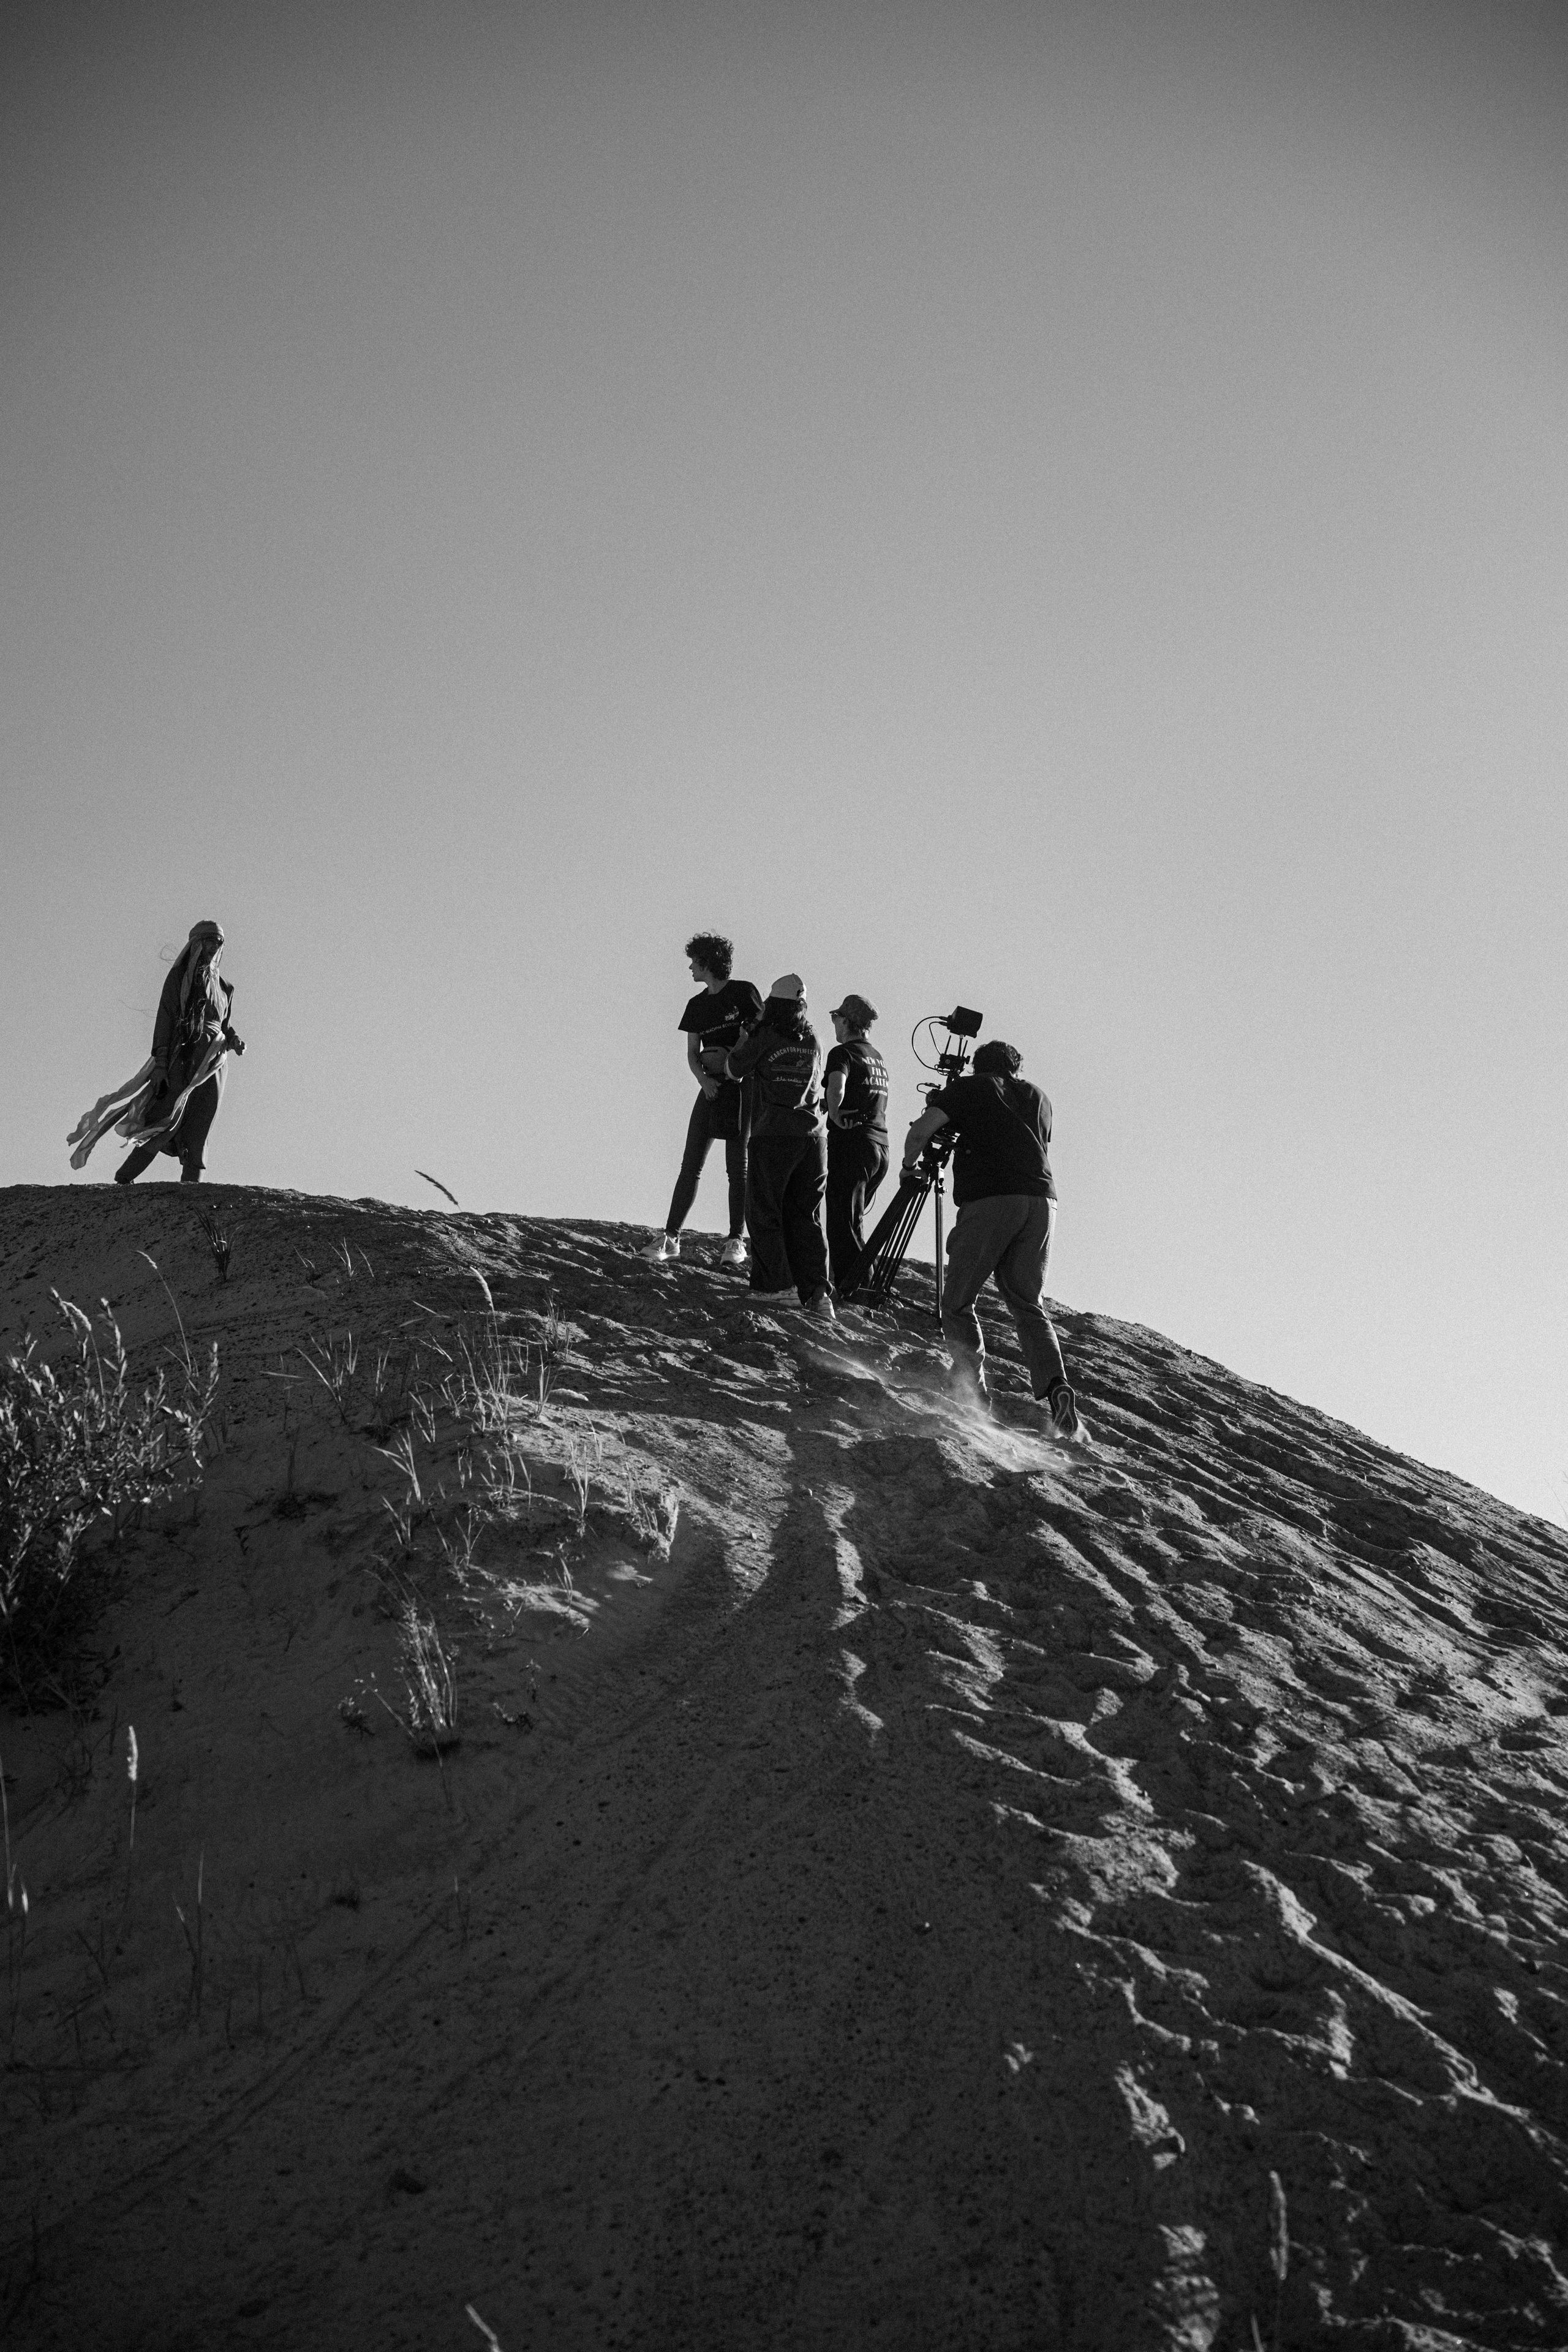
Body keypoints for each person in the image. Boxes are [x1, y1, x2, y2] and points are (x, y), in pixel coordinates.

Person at [900, 1037, 1087, 1440]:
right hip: (1042, 1203)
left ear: (977, 1068)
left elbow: (920, 1134)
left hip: (991, 1200)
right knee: (1027, 1302)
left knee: (959, 1299)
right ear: (1015, 1069)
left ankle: (973, 1392)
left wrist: (907, 1165)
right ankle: (1056, 1387)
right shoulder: (1040, 1097)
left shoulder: (971, 1088)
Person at [77, 921, 245, 1185]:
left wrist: (233, 1039)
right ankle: (125, 1177)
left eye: (219, 942)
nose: (215, 947)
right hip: (186, 1051)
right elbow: (166, 1018)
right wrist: (161, 1064)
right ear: (196, 944)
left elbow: (223, 1023)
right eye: (210, 941)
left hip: (215, 1059)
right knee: (170, 1118)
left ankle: (192, 1185)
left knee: (203, 1119)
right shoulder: (180, 978)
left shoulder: (226, 989)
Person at [641, 934, 763, 1266]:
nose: (690, 967)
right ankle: (670, 1237)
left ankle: (736, 1242)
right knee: (691, 1164)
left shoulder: (744, 992)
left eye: (694, 961)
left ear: (708, 963)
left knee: (738, 1168)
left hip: (743, 1087)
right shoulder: (696, 1005)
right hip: (710, 1088)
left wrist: (734, 1060)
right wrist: (704, 1080)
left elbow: (759, 1034)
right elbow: (692, 1053)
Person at [725, 974, 834, 1319]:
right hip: (814, 1137)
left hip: (774, 1133)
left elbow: (733, 1069)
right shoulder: (814, 1038)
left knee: (764, 1211)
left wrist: (746, 1036)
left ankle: (777, 1287)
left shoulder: (766, 1035)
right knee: (808, 1216)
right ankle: (818, 1295)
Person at [823, 993, 889, 1294]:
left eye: (837, 1018)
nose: (835, 1023)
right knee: (854, 1221)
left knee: (842, 1223)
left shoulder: (842, 1053)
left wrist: (834, 1113)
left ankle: (857, 1288)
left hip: (852, 1145)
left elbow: (837, 1086)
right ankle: (864, 1283)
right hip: (880, 1146)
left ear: (848, 1022)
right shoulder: (876, 1057)